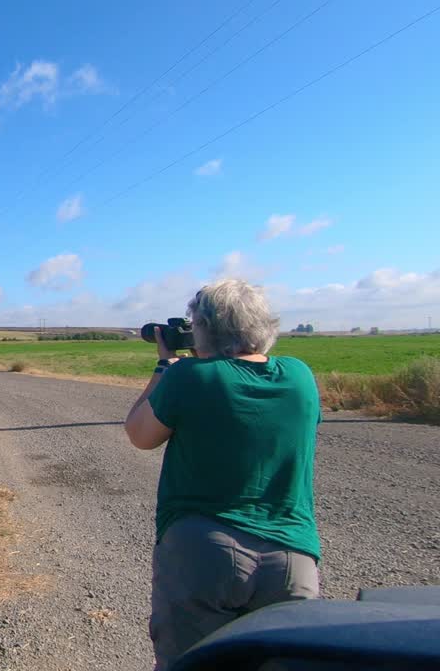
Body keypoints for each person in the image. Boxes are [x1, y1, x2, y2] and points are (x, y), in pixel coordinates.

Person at [123, 279, 322, 670]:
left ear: (206, 328)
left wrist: (165, 364)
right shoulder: (300, 377)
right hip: (292, 556)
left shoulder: (191, 377)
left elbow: (139, 434)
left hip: (205, 551)